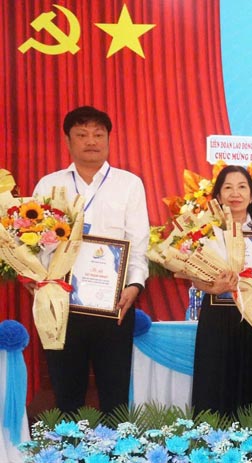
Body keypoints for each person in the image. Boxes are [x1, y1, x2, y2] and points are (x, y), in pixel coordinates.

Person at [31, 106, 149, 414]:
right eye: (81, 134)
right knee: (66, 391)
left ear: (109, 139)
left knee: (115, 393)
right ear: (68, 142)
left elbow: (139, 244)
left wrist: (134, 286)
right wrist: (40, 283)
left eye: (99, 134)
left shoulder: (129, 184)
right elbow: (33, 242)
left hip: (116, 305)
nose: (91, 141)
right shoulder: (48, 185)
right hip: (62, 303)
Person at [189, 165, 252, 415]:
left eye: (242, 187)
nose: (235, 193)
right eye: (227, 187)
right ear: (218, 195)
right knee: (215, 387)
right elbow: (194, 276)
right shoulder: (208, 232)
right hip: (217, 316)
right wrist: (212, 286)